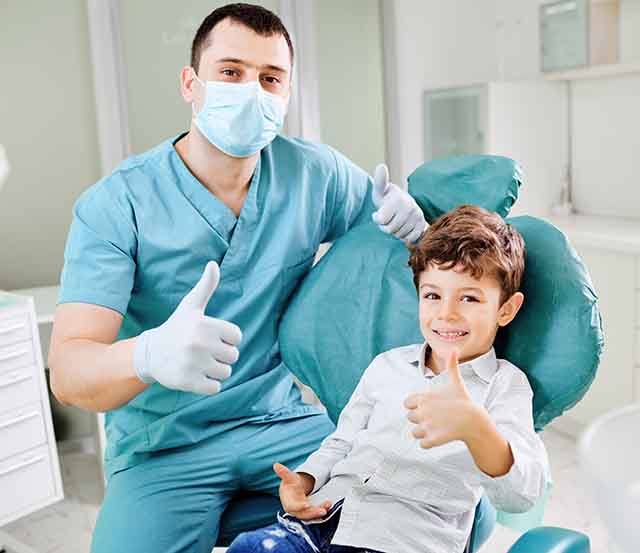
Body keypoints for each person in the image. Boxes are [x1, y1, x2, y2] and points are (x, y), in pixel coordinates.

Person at [47, 4, 426, 553]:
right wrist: (148, 355)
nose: (252, 91)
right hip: (165, 447)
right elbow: (70, 369)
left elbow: (412, 249)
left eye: (271, 78)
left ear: (287, 93)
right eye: (231, 72)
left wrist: (416, 228)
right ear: (190, 83)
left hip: (282, 424)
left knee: (440, 508)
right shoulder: (117, 204)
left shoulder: (313, 174)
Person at [226, 205, 551, 553]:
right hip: (322, 518)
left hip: (401, 540)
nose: (447, 313)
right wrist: (304, 480)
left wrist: (476, 428)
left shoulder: (505, 385)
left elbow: (522, 494)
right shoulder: (387, 366)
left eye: (469, 298)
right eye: (433, 295)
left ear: (506, 309)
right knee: (249, 547)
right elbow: (342, 442)